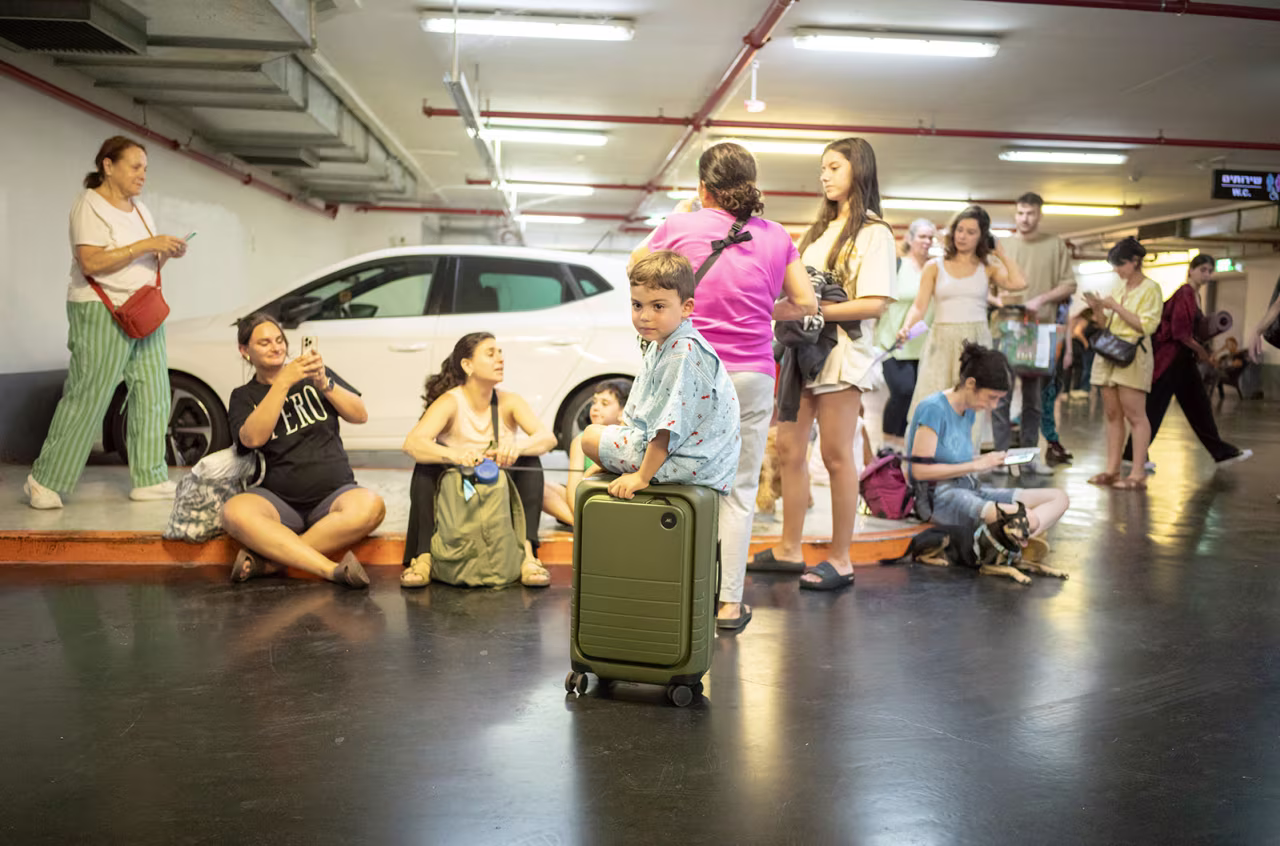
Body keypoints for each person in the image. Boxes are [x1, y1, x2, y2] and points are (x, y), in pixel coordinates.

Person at [630, 142, 817, 629]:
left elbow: (637, 271)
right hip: (753, 373)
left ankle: (669, 591)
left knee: (670, 474)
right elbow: (807, 302)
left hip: (692, 369)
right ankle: (729, 605)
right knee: (739, 489)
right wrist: (761, 311)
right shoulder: (778, 236)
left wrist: (677, 214)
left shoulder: (680, 226)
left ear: (703, 189)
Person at [747, 137, 893, 593]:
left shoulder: (875, 233)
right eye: (823, 168)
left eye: (834, 167)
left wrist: (810, 311)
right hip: (801, 354)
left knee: (835, 456)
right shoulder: (817, 233)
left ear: (858, 171)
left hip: (842, 354)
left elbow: (874, 304)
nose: (825, 175)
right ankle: (790, 549)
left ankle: (841, 558)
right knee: (789, 449)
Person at [24, 136, 190, 510]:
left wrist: (166, 252)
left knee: (153, 392)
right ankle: (44, 479)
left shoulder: (141, 210)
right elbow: (92, 263)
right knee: (89, 394)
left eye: (145, 168)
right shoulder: (89, 205)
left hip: (143, 310)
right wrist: (148, 245)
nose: (142, 174)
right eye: (135, 166)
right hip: (101, 311)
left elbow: (143, 262)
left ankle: (149, 476)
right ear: (108, 165)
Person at [220, 314, 386, 588]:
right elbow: (252, 439)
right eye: (264, 343)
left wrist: (325, 384)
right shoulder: (243, 396)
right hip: (278, 500)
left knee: (372, 506)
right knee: (233, 511)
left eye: (279, 340)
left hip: (334, 496)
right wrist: (283, 383)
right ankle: (331, 570)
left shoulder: (316, 375)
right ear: (244, 351)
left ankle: (271, 564)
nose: (275, 347)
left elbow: (360, 415)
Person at [401, 332, 558, 588]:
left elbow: (547, 438)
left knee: (530, 462)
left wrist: (516, 448)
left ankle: (528, 555)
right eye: (490, 353)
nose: (500, 359)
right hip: (458, 488)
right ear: (467, 365)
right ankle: (423, 556)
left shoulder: (509, 401)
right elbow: (413, 443)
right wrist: (454, 454)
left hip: (497, 488)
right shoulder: (450, 401)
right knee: (425, 466)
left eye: (500, 352)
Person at [581, 251, 741, 496]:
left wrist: (641, 477)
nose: (645, 316)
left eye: (658, 306)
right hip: (694, 459)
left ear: (686, 307)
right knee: (598, 436)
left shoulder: (683, 350)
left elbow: (667, 428)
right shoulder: (664, 343)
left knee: (590, 437)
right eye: (637, 305)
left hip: (693, 463)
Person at [907, 342, 1068, 548]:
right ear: (971, 384)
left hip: (970, 489)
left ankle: (1014, 537)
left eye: (998, 400)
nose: (992, 406)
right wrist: (976, 465)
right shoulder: (933, 409)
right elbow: (919, 471)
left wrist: (986, 460)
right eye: (991, 397)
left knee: (1058, 498)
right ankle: (1017, 537)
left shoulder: (969, 410)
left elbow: (955, 459)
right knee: (1030, 518)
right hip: (940, 499)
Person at [901, 205, 1026, 427]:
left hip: (976, 341)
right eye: (959, 230)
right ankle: (927, 455)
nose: (963, 236)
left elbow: (1019, 283)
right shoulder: (934, 266)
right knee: (933, 400)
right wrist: (906, 328)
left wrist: (1000, 252)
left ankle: (965, 457)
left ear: (982, 237)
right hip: (942, 339)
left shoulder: (987, 267)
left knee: (972, 406)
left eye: (971, 232)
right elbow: (918, 307)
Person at [1122, 255, 1251, 468]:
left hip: (1181, 359)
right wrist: (1201, 351)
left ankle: (1221, 453)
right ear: (1191, 270)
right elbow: (1180, 332)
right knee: (1159, 407)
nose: (1207, 275)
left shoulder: (1194, 295)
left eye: (1210, 271)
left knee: (1196, 407)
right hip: (1171, 359)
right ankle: (1132, 454)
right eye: (1203, 270)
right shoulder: (1185, 293)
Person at [992, 193, 1078, 474]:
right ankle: (1000, 457)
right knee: (1000, 397)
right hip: (1006, 329)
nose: (1024, 218)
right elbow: (990, 285)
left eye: (1030, 213)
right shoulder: (1003, 246)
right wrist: (1000, 299)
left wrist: (1040, 300)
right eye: (1020, 213)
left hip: (1040, 332)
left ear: (1039, 215)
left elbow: (1069, 285)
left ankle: (1030, 457)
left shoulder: (1054, 245)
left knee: (1034, 399)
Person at [1085, 238, 1163, 491]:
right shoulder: (1120, 288)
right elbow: (1103, 323)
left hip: (1132, 354)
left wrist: (1116, 307)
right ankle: (1112, 469)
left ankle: (1138, 472)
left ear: (1135, 261)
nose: (1117, 270)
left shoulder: (1151, 288)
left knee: (1135, 415)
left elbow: (1146, 325)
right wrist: (1097, 309)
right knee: (1112, 414)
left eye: (1120, 265)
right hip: (1109, 353)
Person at [875, 218, 937, 451]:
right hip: (894, 341)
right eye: (922, 236)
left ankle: (900, 446)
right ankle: (887, 444)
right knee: (902, 390)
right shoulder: (897, 267)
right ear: (909, 239)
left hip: (924, 345)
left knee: (914, 398)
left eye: (930, 237)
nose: (927, 241)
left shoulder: (935, 267)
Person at [541, 379, 630, 527]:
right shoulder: (579, 441)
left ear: (622, 412)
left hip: (614, 500)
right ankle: (584, 527)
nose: (595, 408)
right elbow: (573, 488)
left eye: (605, 404)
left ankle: (586, 526)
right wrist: (577, 509)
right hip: (586, 498)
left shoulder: (626, 438)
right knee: (542, 488)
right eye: (594, 402)